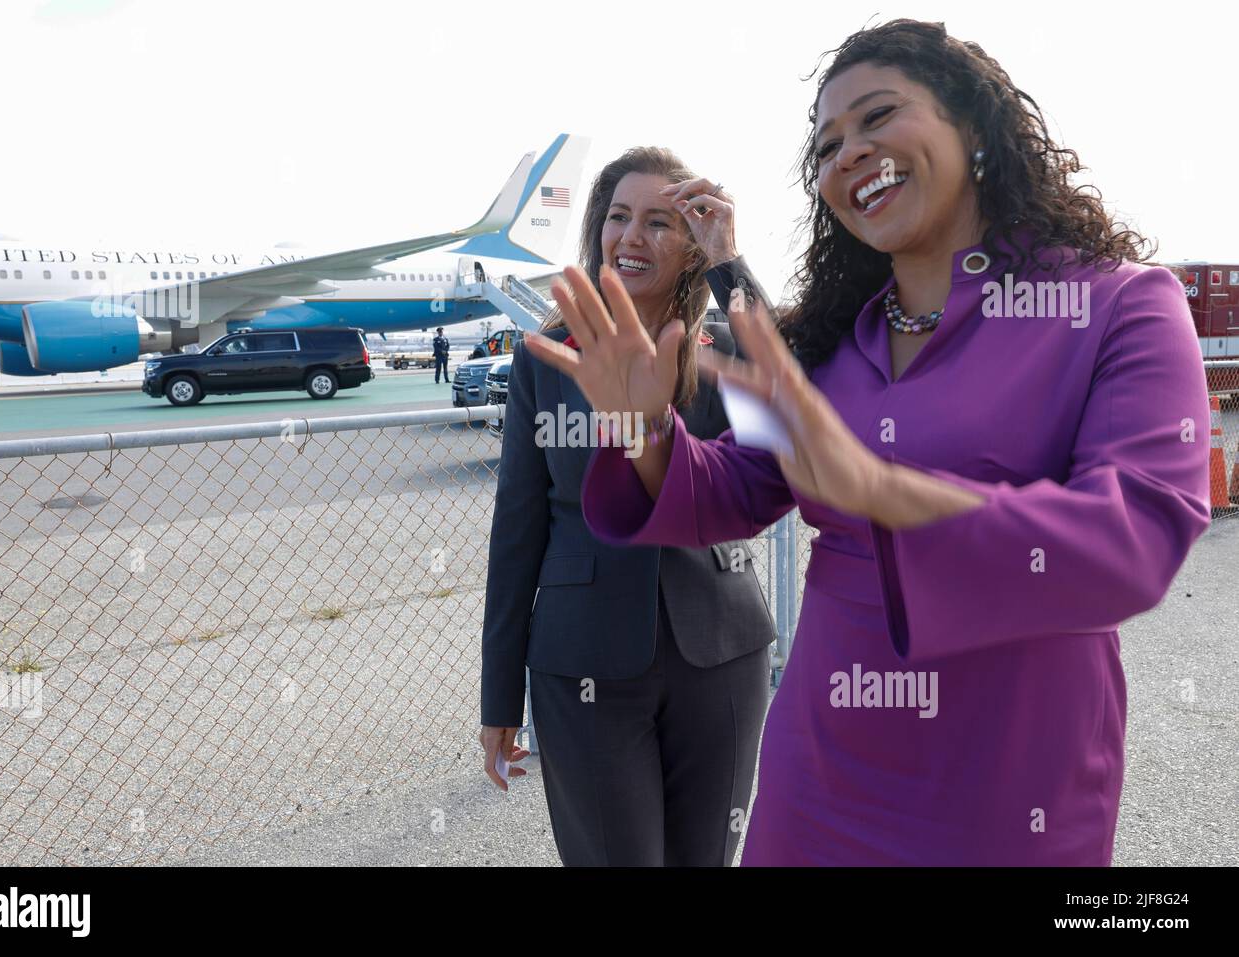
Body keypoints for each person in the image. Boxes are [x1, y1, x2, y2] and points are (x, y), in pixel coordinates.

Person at [525, 19, 1211, 865]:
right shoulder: (829, 345)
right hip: (818, 772)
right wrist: (643, 427)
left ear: (975, 127)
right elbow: (734, 489)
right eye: (826, 146)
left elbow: (1136, 540)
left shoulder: (1122, 306)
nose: (847, 153)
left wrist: (881, 488)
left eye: (878, 117)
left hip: (1007, 785)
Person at [480, 147, 778, 866]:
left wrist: (731, 264)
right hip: (585, 659)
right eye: (618, 217)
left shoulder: (726, 348)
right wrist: (499, 699)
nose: (632, 236)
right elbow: (518, 531)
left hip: (721, 654)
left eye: (658, 222)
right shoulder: (547, 359)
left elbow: (789, 404)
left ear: (692, 246)